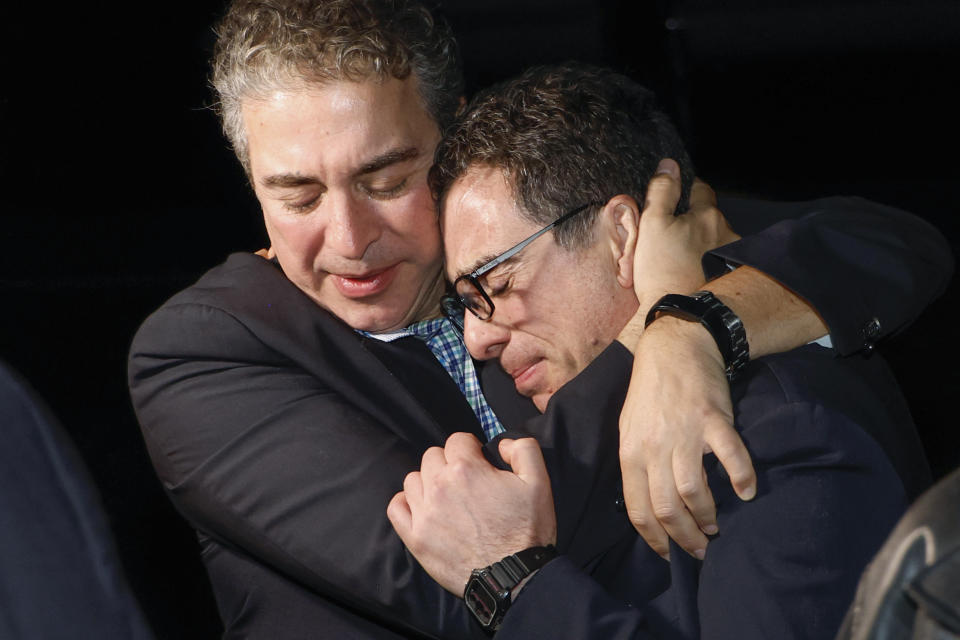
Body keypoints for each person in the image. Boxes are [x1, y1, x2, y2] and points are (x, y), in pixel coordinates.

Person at [127, 0, 952, 637]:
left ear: (449, 148)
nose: (349, 240)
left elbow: (882, 243)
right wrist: (658, 331)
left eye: (385, 180)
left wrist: (693, 327)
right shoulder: (203, 350)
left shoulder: (524, 226)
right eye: (296, 195)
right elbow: (443, 564)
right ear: (250, 184)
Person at [388, 62, 936, 639]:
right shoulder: (541, 380)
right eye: (466, 303)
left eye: (496, 285)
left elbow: (889, 240)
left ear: (624, 237)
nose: (477, 338)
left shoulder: (778, 434)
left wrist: (517, 586)